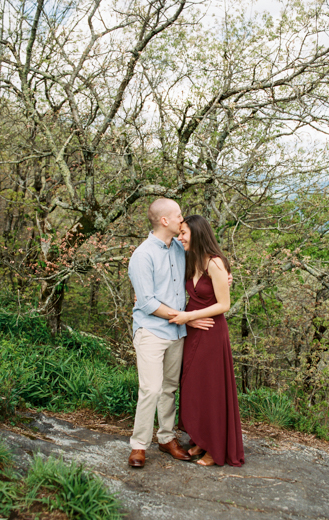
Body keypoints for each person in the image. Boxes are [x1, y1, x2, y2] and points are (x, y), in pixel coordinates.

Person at [126, 199, 215, 468]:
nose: (182, 219)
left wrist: (223, 276)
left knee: (169, 389)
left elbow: (206, 266)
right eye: (178, 215)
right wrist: (185, 319)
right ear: (165, 221)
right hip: (151, 331)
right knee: (150, 389)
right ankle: (139, 446)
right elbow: (147, 303)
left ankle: (166, 439)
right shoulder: (142, 256)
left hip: (177, 334)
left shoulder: (180, 248)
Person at [168, 214, 245, 467]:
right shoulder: (191, 259)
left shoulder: (215, 263)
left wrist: (189, 315)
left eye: (184, 234)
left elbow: (224, 304)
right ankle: (200, 438)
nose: (180, 238)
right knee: (193, 386)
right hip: (192, 331)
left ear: (198, 234)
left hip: (212, 332)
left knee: (211, 390)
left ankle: (215, 449)